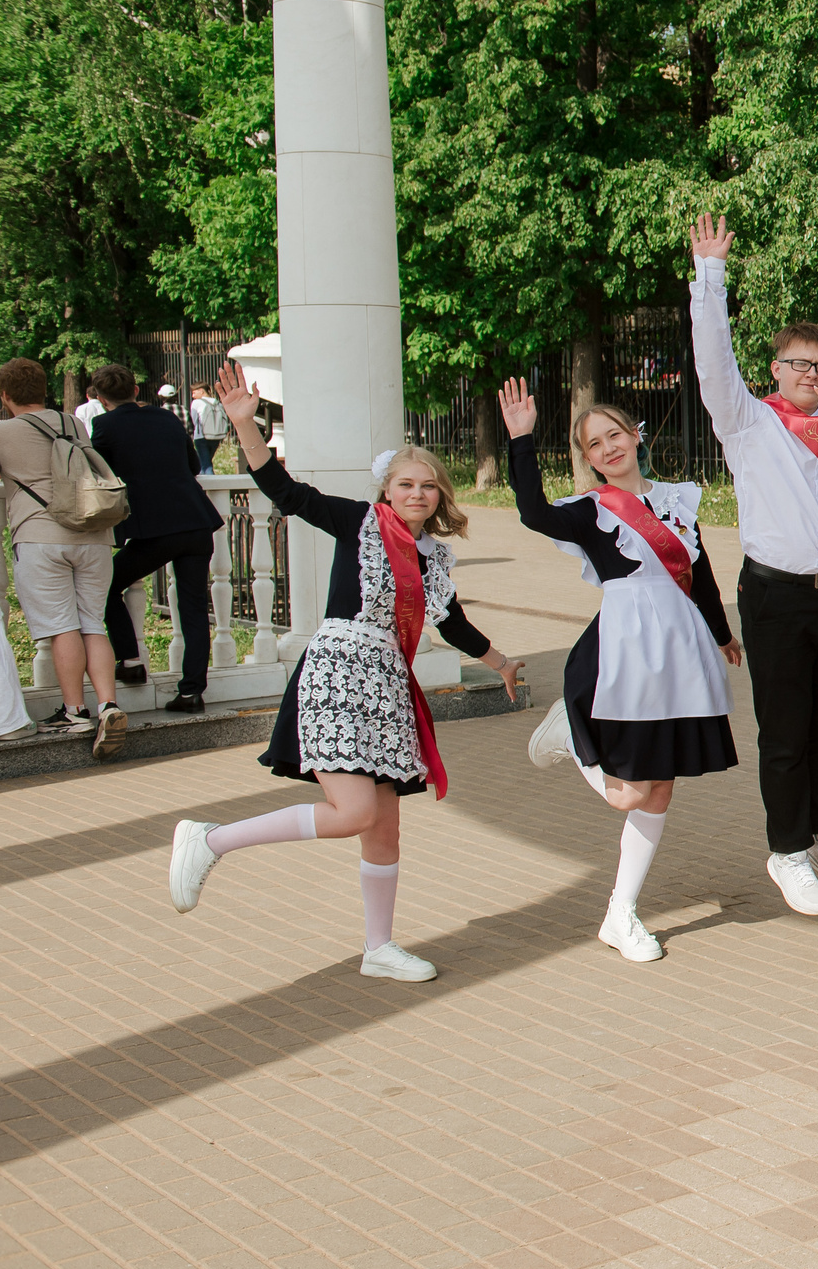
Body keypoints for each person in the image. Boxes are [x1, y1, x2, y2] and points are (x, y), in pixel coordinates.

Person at [165, 362, 523, 981]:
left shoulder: (433, 555)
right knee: (355, 812)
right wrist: (246, 427)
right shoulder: (358, 521)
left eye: (429, 486)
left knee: (384, 827)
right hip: (337, 670)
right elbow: (284, 491)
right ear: (386, 490)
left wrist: (501, 664)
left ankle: (378, 948)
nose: (417, 494)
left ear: (440, 496)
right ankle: (211, 839)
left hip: (387, 683)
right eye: (406, 483)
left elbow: (454, 624)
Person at [687, 212, 818, 916]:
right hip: (774, 597)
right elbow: (712, 361)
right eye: (799, 364)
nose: (811, 375)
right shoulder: (749, 422)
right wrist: (710, 277)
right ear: (776, 370)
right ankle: (786, 850)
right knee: (784, 727)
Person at [506, 382, 742, 963]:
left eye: (615, 434)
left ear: (636, 436)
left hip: (677, 650)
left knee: (659, 788)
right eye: (594, 444)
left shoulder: (677, 500)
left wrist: (721, 633)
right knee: (629, 794)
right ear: (586, 458)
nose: (609, 447)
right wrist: (519, 438)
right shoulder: (591, 512)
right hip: (623, 652)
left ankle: (621, 913)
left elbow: (701, 572)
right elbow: (533, 513)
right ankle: (574, 737)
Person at [0, 357, 124, 754]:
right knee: (93, 622)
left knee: (61, 627)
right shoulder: (71, 423)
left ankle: (75, 712)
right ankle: (108, 704)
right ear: (44, 390)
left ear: (5, 396)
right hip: (93, 534)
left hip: (41, 538)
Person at [87, 363, 224, 715]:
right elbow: (193, 466)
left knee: (106, 585)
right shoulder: (166, 418)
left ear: (101, 399)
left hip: (155, 529)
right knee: (193, 609)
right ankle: (192, 692)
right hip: (195, 522)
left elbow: (97, 472)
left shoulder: (103, 425)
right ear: (136, 390)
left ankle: (130, 660)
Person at [189, 383, 227, 475]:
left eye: (194, 393)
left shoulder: (196, 403)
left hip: (201, 437)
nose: (193, 396)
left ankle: (211, 486)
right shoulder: (217, 403)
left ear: (201, 391)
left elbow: (193, 420)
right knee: (204, 463)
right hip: (216, 437)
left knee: (206, 465)